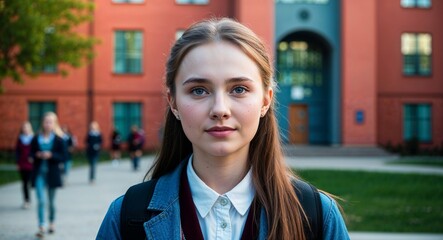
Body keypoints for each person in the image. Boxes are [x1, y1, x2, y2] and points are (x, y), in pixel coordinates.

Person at [97, 18, 349, 239]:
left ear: (265, 99)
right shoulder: (126, 217)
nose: (220, 109)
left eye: (239, 89)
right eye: (198, 90)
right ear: (173, 102)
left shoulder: (316, 216)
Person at [30, 112, 67, 238]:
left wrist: (51, 155)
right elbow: (31, 154)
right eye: (46, 121)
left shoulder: (59, 139)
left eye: (50, 122)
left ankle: (51, 222)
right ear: (42, 123)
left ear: (54, 123)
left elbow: (64, 156)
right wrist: (37, 155)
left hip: (52, 174)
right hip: (39, 173)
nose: (48, 124)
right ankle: (41, 225)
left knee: (51, 202)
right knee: (41, 200)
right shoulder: (36, 138)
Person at [15, 121, 34, 209]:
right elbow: (17, 151)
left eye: (27, 127)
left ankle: (30, 198)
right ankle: (26, 200)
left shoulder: (33, 138)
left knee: (30, 182)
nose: (26, 129)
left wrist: (33, 157)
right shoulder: (20, 139)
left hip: (31, 164)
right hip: (22, 163)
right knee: (25, 183)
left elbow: (35, 150)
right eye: (24, 128)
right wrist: (17, 162)